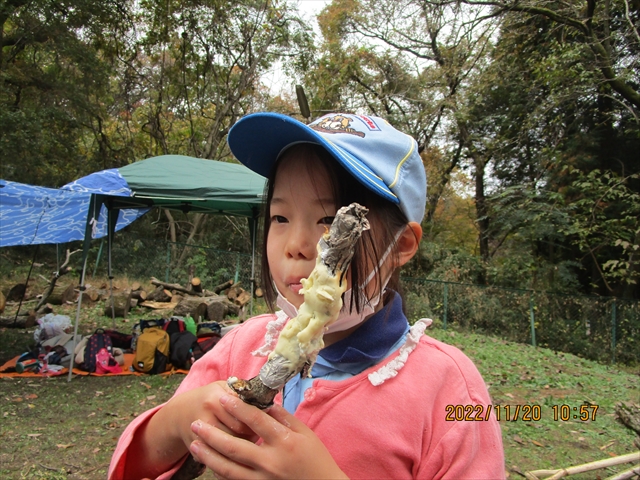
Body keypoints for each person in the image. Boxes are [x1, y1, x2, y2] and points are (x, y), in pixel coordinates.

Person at [109, 112, 505, 479]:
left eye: (330, 220)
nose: (296, 244)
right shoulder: (243, 348)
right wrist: (177, 423)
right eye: (280, 218)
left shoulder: (451, 390)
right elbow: (135, 465)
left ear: (401, 246)